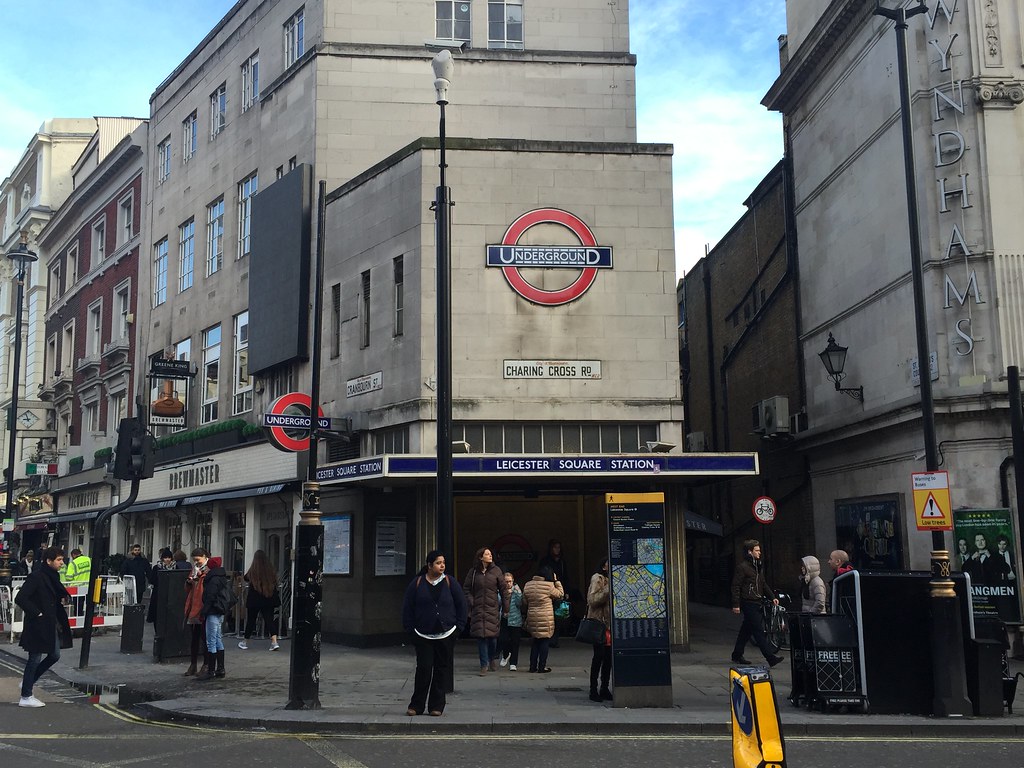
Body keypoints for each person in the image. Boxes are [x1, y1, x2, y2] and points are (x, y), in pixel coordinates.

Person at [401, 550, 467, 717]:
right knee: (423, 669)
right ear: (429, 565)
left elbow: (462, 605)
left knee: (441, 670)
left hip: (446, 634)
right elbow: (407, 608)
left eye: (443, 562)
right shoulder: (417, 583)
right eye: (438, 563)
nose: (442, 566)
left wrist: (458, 628)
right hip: (423, 635)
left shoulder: (450, 582)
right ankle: (416, 705)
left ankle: (436, 706)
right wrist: (410, 630)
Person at [14, 546, 72, 707]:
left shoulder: (53, 576)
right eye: (59, 560)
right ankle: (26, 696)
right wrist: (37, 613)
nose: (62, 563)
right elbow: (21, 598)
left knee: (54, 655)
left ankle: (29, 681)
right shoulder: (36, 576)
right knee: (34, 658)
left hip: (49, 623)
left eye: (62, 559)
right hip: (38, 624)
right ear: (48, 561)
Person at [730, 539, 783, 667]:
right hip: (748, 602)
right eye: (757, 550)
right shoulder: (742, 567)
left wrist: (772, 597)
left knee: (746, 630)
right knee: (758, 630)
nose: (759, 552)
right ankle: (770, 658)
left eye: (759, 550)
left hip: (756, 602)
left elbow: (763, 584)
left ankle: (737, 654)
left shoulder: (757, 566)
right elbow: (736, 586)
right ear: (750, 552)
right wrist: (736, 604)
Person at [462, 546, 509, 675]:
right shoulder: (473, 572)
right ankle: (484, 665)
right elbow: (466, 589)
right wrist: (472, 601)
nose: (490, 556)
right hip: (478, 609)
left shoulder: (496, 571)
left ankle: (491, 658)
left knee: (492, 637)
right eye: (487, 554)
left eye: (490, 554)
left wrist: (506, 607)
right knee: (481, 637)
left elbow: (504, 590)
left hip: (492, 608)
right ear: (480, 557)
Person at [521, 565, 564, 673]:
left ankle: (532, 667)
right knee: (544, 641)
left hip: (532, 617)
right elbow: (560, 594)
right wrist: (556, 581)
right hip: (546, 617)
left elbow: (524, 602)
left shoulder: (528, 585)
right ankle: (542, 667)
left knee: (535, 641)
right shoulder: (549, 586)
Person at [198, 554, 232, 680]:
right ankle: (220, 668)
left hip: (212, 611)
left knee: (211, 641)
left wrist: (203, 612)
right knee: (218, 639)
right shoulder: (221, 578)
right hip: (219, 611)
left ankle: (211, 670)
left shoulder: (213, 579)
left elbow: (210, 597)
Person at [238, 549, 281, 651]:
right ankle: (274, 642)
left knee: (251, 620)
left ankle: (245, 641)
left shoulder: (253, 570)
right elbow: (275, 580)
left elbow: (246, 578)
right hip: (268, 597)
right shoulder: (269, 570)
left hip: (255, 599)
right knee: (269, 620)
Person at [585, 558, 613, 702]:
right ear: (603, 566)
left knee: (608, 658)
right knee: (598, 657)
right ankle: (593, 689)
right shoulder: (597, 578)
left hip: (610, 625)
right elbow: (592, 600)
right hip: (599, 624)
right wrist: (607, 589)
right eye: (608, 564)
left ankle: (604, 688)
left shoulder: (614, 578)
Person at [183, 548, 210, 676]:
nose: (196, 562)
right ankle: (193, 664)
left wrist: (199, 579)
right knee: (194, 637)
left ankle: (206, 664)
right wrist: (189, 582)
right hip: (194, 605)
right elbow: (188, 588)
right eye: (194, 560)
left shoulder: (208, 570)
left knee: (205, 637)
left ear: (204, 557)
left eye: (198, 560)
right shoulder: (194, 569)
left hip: (203, 606)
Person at [539, 539, 571, 646]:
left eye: (558, 547)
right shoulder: (545, 561)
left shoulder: (562, 562)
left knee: (558, 616)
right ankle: (548, 638)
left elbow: (566, 577)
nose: (557, 550)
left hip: (558, 590)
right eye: (555, 547)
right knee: (547, 616)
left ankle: (554, 639)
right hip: (547, 590)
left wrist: (566, 591)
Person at [498, 571, 524, 671]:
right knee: (503, 639)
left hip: (515, 619)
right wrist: (504, 594)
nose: (508, 583)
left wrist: (517, 593)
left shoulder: (517, 590)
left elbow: (519, 604)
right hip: (504, 618)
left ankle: (513, 663)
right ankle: (506, 654)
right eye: (506, 581)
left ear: (513, 581)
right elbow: (498, 602)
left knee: (515, 642)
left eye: (510, 581)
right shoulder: (501, 590)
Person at [147, 548, 176, 623]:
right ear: (162, 558)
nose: (167, 559)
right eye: (165, 558)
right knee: (157, 612)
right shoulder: (156, 567)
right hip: (158, 592)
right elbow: (152, 580)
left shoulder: (175, 567)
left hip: (171, 593)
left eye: (169, 557)